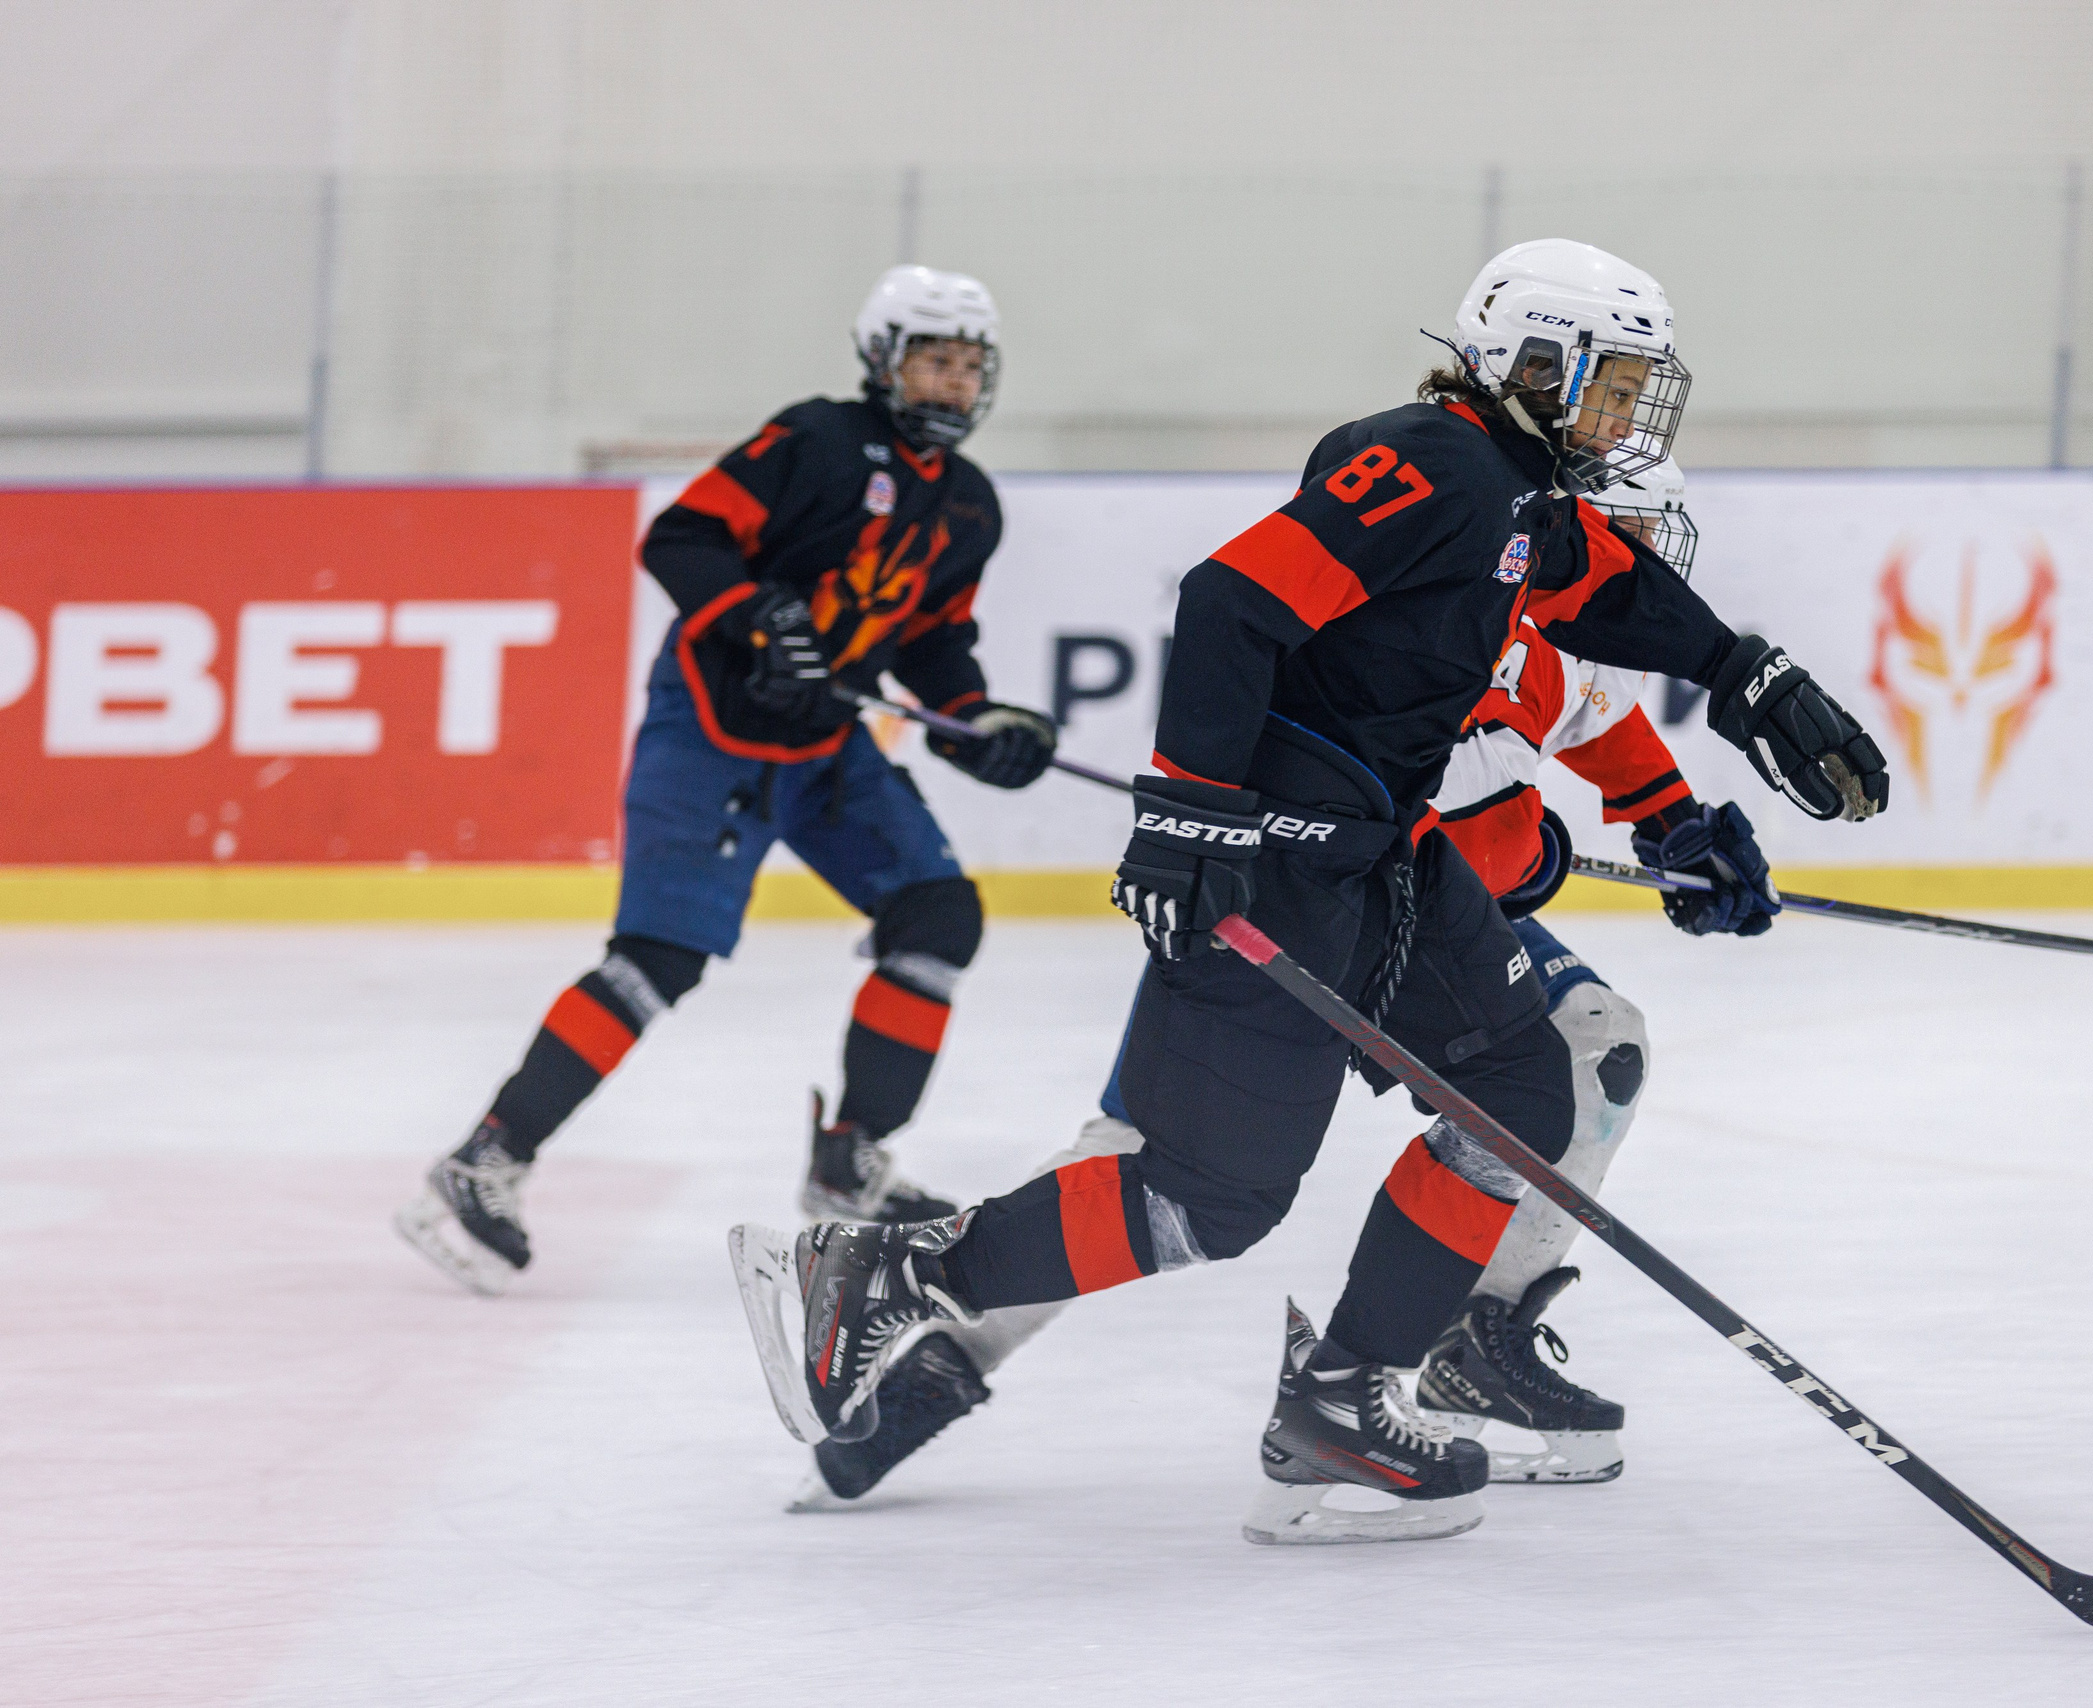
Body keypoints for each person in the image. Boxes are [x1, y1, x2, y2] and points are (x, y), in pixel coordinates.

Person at [731, 238, 1887, 1545]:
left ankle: (1345, 1396)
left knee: (1529, 1085)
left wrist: (1744, 673)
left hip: (1380, 856)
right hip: (1283, 852)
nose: (1625, 419)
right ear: (1537, 361)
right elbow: (1230, 600)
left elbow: (1596, 586)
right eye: (1613, 388)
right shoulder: (1438, 460)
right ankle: (891, 1271)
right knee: (1204, 1196)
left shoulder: (1511, 494)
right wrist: (1185, 808)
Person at [787, 461, 1783, 1508]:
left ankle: (1476, 1329)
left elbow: (1607, 741)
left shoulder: (1552, 651)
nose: (1633, 563)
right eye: (1615, 532)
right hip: (1287, 912)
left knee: (1588, 1047)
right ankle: (939, 1354)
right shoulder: (1427, 615)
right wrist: (1523, 855)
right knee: (1156, 1165)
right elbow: (1421, 831)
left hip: (1409, 936)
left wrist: (1682, 837)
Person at [397, 265, 1057, 1297]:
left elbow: (933, 645)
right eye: (934, 361)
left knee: (937, 913)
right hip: (709, 725)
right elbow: (682, 536)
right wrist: (765, 618)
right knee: (657, 958)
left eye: (970, 367)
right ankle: (484, 1159)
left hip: (826, 741)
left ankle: (850, 1163)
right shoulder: (816, 440)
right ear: (884, 362)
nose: (953, 385)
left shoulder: (968, 507)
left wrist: (978, 721)